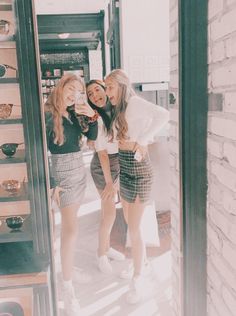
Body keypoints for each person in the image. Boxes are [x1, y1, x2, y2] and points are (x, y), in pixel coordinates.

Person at [104, 69, 169, 304]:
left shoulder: (136, 103)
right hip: (125, 165)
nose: (106, 92)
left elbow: (163, 114)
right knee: (131, 224)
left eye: (109, 87)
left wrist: (143, 139)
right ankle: (141, 262)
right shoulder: (119, 109)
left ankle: (138, 277)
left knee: (135, 227)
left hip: (140, 169)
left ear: (121, 85)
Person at [44, 73, 98, 315]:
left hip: (79, 172)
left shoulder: (74, 112)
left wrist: (90, 115)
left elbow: (92, 137)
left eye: (79, 92)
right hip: (62, 175)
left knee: (70, 228)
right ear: (61, 86)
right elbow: (41, 151)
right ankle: (67, 286)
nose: (74, 94)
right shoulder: (47, 112)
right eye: (71, 88)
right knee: (69, 230)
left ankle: (66, 269)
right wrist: (53, 182)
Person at [86, 79, 125, 274]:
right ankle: (101, 254)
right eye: (90, 94)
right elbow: (102, 154)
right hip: (103, 166)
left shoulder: (118, 111)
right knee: (109, 213)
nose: (95, 96)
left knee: (110, 211)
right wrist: (110, 182)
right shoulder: (98, 119)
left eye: (97, 90)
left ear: (105, 89)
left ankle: (107, 248)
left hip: (119, 161)